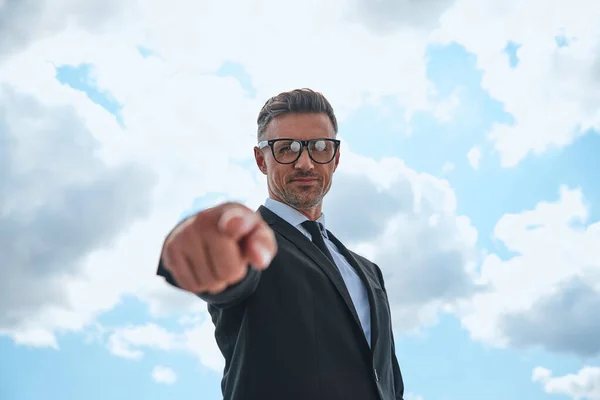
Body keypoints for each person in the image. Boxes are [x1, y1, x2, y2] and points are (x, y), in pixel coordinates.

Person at [156, 88, 404, 400]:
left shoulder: (369, 272)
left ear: (336, 158)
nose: (305, 163)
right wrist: (207, 242)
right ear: (262, 159)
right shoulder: (250, 246)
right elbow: (231, 277)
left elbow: (390, 382)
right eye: (286, 149)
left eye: (319, 147)